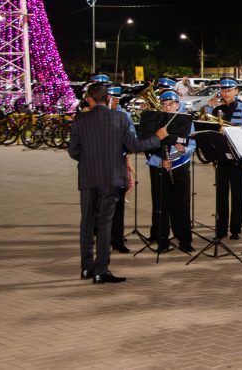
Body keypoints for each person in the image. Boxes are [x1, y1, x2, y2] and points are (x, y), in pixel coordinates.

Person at [68, 82, 167, 283]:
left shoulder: (80, 119)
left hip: (88, 177)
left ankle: (87, 268)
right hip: (111, 177)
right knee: (105, 223)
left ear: (89, 99)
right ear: (108, 99)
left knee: (86, 223)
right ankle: (101, 270)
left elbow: (73, 151)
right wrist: (157, 138)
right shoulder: (120, 117)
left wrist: (89, 160)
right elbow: (133, 145)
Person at [146, 90, 197, 254]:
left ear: (177, 104)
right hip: (160, 167)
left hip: (180, 166)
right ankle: (162, 240)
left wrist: (185, 149)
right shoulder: (155, 121)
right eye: (165, 105)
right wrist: (159, 161)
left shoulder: (186, 121)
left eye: (171, 104)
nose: (168, 107)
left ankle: (184, 239)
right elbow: (146, 147)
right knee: (161, 205)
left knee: (181, 205)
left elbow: (194, 143)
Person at [205, 78, 242, 240]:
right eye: (224, 90)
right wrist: (208, 108)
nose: (226, 93)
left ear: (236, 91)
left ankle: (236, 229)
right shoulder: (217, 109)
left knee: (238, 195)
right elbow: (208, 129)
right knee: (221, 196)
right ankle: (221, 229)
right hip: (221, 157)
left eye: (230, 90)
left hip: (238, 158)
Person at [107, 86, 133, 253]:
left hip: (118, 163)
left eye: (117, 99)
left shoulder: (124, 116)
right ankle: (100, 237)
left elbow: (132, 137)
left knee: (118, 206)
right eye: (111, 98)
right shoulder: (94, 115)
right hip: (101, 167)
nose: (115, 102)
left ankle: (117, 240)